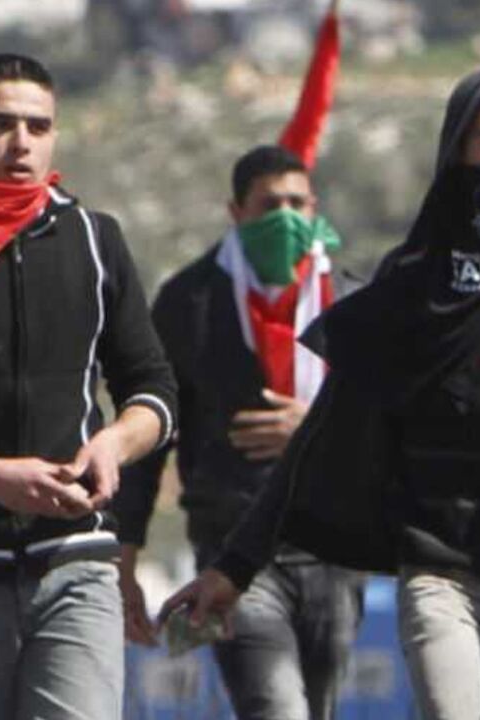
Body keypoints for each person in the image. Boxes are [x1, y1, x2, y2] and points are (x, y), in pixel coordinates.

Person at [159, 68, 480, 720]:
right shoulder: (411, 283)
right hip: (443, 572)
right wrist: (235, 567)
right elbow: (324, 428)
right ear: (457, 150)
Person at [0, 53, 177, 720]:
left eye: (38, 125)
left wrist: (114, 444)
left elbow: (153, 388)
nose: (21, 142)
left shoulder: (93, 238)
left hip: (77, 564)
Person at [113, 144, 364, 720]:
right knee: (273, 707)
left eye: (296, 203)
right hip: (231, 552)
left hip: (332, 547)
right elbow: (151, 436)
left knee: (319, 707)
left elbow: (386, 422)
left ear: (315, 206)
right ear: (236, 212)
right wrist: (125, 558)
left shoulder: (350, 298)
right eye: (268, 204)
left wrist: (315, 428)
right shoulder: (190, 301)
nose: (285, 217)